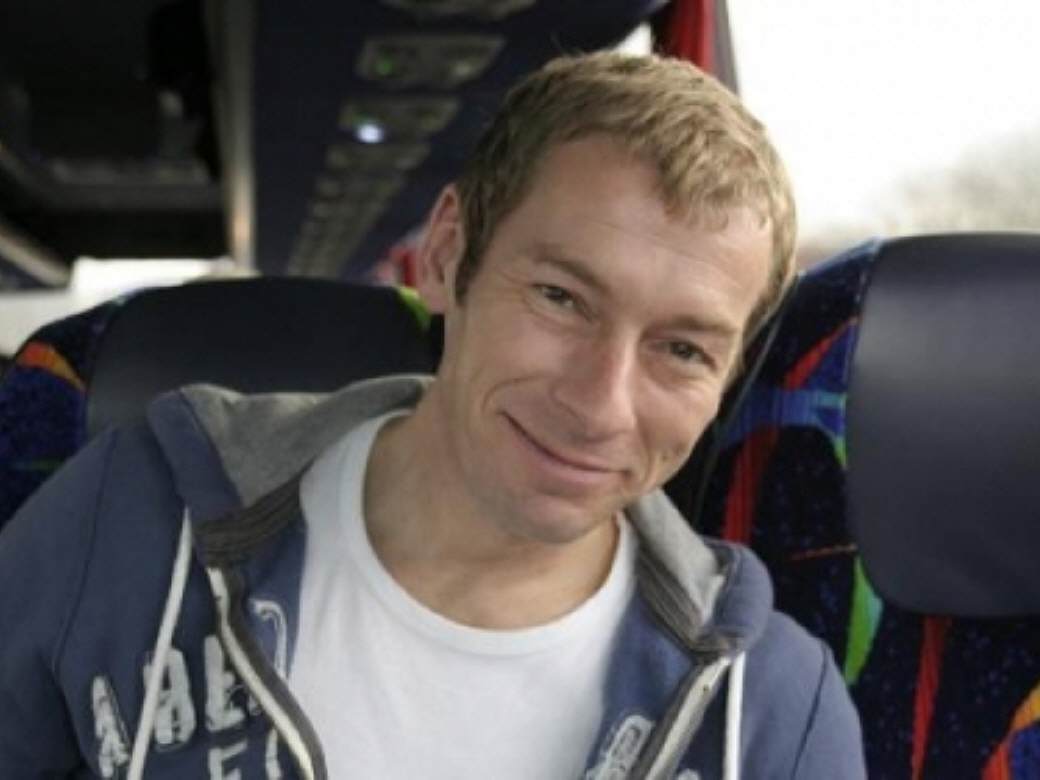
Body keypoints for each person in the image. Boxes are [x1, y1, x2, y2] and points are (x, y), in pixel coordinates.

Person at [0, 52, 864, 779]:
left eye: (683, 350)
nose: (600, 405)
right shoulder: (132, 517)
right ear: (447, 257)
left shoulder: (775, 715)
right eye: (560, 297)